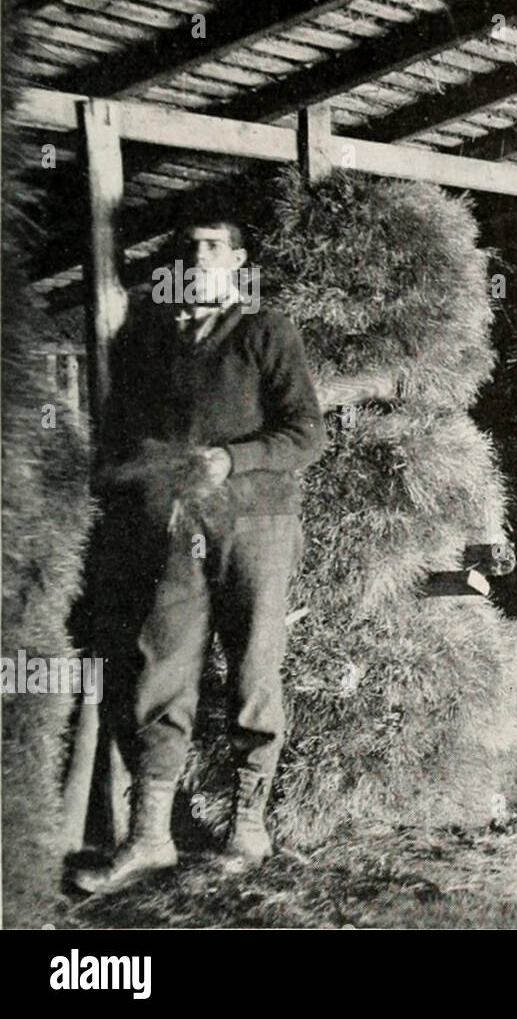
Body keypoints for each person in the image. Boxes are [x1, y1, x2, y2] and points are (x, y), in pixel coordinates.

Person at [75, 220, 323, 893]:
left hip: (257, 524)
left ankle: (248, 823)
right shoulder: (150, 337)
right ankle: (150, 835)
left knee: (252, 667)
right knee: (161, 667)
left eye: (214, 246)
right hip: (175, 524)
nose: (199, 256)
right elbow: (125, 434)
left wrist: (232, 459)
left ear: (239, 262)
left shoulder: (266, 330)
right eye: (188, 247)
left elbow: (307, 433)